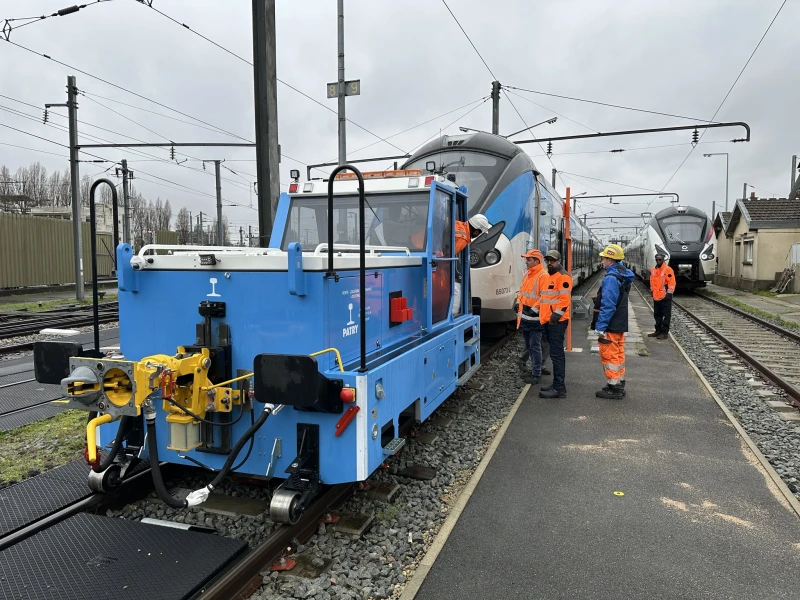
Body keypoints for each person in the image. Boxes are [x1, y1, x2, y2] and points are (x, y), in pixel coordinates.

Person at [593, 244, 635, 399]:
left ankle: (613, 388)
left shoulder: (611, 278)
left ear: (610, 260)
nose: (602, 261)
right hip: (620, 322)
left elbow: (608, 305)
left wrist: (600, 327)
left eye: (603, 258)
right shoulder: (623, 275)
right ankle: (618, 383)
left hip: (611, 323)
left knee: (609, 355)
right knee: (618, 353)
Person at [538, 250, 572, 399]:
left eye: (553, 260)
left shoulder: (563, 277)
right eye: (548, 260)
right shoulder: (548, 276)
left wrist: (554, 317)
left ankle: (559, 388)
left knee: (557, 354)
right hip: (548, 321)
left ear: (559, 261)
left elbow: (564, 300)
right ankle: (558, 385)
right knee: (554, 353)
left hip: (556, 322)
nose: (550, 263)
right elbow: (545, 298)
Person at [514, 249, 550, 385]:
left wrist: (534, 310)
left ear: (537, 261)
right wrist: (517, 303)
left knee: (535, 346)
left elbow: (545, 296)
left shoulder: (543, 276)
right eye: (526, 260)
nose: (526, 262)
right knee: (530, 345)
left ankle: (536, 374)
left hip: (534, 318)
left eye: (529, 260)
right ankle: (534, 370)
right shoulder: (528, 274)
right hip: (526, 316)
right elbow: (522, 292)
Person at [452, 214, 491, 316]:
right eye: (479, 233)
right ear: (476, 231)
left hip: (418, 243)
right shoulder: (463, 238)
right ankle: (453, 314)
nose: (478, 235)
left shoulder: (458, 224)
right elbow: (449, 256)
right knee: (456, 289)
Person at [648, 252, 675, 340]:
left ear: (663, 260)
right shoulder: (653, 270)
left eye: (660, 259)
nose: (658, 261)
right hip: (656, 296)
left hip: (665, 296)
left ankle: (664, 333)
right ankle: (658, 331)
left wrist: (669, 293)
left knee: (666, 315)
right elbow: (652, 282)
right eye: (657, 259)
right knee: (657, 314)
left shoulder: (668, 270)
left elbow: (671, 282)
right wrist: (652, 291)